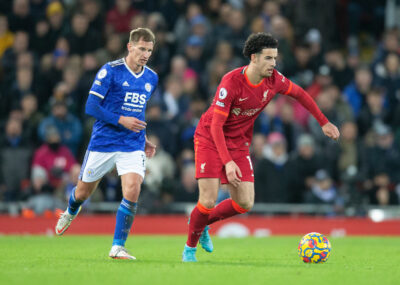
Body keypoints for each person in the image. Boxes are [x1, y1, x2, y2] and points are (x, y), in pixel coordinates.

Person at [182, 32, 340, 262]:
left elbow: (300, 94)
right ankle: (189, 249)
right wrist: (227, 163)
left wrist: (323, 121)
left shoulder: (274, 79)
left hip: (237, 142)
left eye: (275, 58)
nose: (274, 64)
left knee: (244, 202)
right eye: (268, 58)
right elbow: (216, 126)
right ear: (253, 58)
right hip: (209, 138)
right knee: (207, 200)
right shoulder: (231, 82)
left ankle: (202, 223)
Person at [55, 28, 158, 260]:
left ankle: (117, 246)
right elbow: (90, 107)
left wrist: (144, 137)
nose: (145, 54)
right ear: (130, 47)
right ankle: (71, 210)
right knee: (82, 192)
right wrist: (121, 120)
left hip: (131, 143)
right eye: (141, 49)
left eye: (149, 50)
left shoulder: (152, 77)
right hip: (104, 142)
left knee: (133, 188)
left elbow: (138, 111)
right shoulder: (110, 71)